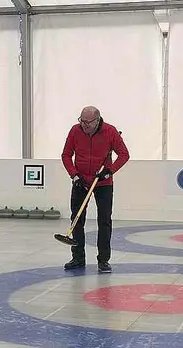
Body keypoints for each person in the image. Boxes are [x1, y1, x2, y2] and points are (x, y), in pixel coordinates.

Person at [60, 105, 129, 272]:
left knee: (104, 220)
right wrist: (74, 175)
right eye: (81, 121)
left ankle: (103, 260)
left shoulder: (110, 131)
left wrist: (109, 171)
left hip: (103, 183)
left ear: (97, 120)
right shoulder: (75, 131)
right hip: (81, 181)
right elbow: (66, 155)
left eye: (87, 122)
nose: (83, 125)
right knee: (77, 219)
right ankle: (78, 258)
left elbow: (124, 155)